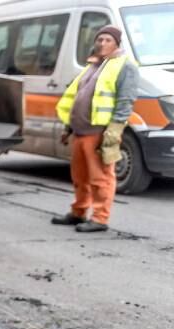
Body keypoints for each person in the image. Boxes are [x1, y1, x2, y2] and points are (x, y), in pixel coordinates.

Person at [52, 25, 139, 233]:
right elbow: (77, 97)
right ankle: (79, 212)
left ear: (117, 43)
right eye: (99, 40)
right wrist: (68, 127)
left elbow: (125, 101)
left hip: (100, 131)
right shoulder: (94, 64)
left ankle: (100, 218)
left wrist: (114, 130)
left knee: (100, 177)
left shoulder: (126, 66)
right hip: (81, 131)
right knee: (80, 176)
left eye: (108, 40)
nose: (102, 43)